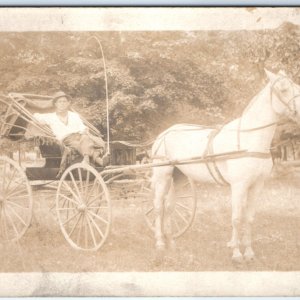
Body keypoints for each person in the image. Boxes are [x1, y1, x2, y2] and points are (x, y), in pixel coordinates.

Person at [33, 91, 109, 166]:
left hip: (80, 137)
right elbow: (35, 116)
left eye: (64, 101)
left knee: (91, 140)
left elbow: (81, 126)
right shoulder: (51, 117)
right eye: (60, 102)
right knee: (81, 144)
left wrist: (84, 130)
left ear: (68, 103)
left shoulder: (74, 115)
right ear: (55, 104)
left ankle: (87, 159)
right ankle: (97, 160)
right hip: (66, 140)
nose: (62, 104)